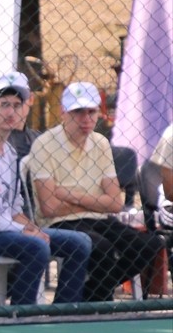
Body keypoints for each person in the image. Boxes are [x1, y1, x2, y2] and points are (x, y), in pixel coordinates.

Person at [0, 77, 91, 305]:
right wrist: (25, 232)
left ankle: (64, 310)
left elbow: (13, 208)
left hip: (4, 230)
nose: (11, 112)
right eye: (4, 105)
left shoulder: (11, 153)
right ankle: (21, 314)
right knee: (36, 247)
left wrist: (31, 227)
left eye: (17, 105)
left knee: (80, 243)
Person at [28, 82, 164, 301]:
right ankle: (91, 302)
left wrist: (67, 194)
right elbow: (49, 207)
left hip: (96, 219)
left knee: (149, 245)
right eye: (78, 112)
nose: (86, 118)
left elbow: (114, 204)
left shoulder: (100, 143)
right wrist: (94, 200)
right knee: (102, 248)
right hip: (59, 222)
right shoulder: (44, 144)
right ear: (63, 113)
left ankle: (87, 297)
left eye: (91, 111)